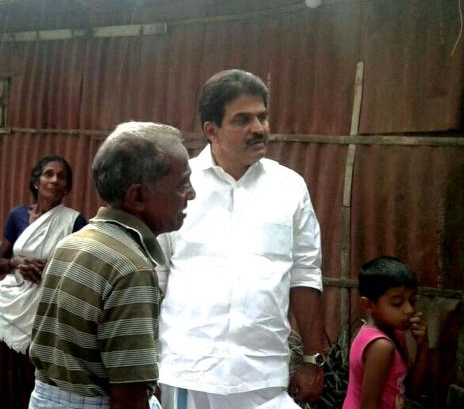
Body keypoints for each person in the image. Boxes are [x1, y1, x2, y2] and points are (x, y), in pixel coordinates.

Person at [157, 69, 324, 408]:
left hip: (264, 375)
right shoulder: (178, 187)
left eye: (262, 117)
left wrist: (312, 359)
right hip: (188, 371)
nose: (259, 128)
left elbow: (305, 275)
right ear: (211, 131)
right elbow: (154, 279)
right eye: (242, 120)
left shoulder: (289, 187)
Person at [28, 121, 196, 409]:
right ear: (137, 196)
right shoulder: (131, 268)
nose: (191, 193)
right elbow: (128, 397)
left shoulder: (74, 242)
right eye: (182, 183)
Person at [0, 155, 87, 409]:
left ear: (67, 187)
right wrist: (16, 264)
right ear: (36, 182)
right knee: (10, 380)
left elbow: (80, 271)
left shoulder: (74, 222)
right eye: (48, 174)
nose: (54, 180)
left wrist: (53, 271)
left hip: (48, 313)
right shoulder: (18, 216)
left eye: (61, 176)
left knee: (39, 378)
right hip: (14, 308)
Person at [343, 256, 428, 409]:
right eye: (397, 303)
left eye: (412, 301)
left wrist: (422, 345)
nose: (409, 310)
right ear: (368, 304)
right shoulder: (381, 346)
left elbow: (412, 389)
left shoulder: (394, 333)